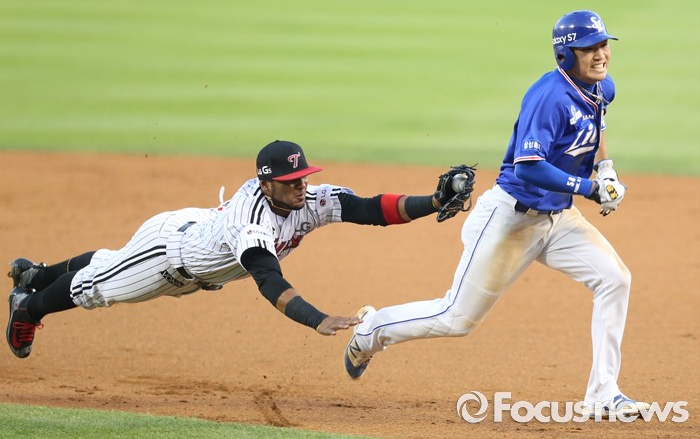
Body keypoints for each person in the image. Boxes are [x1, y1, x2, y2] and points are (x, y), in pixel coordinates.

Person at [343, 11, 650, 420]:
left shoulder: (599, 86)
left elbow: (597, 122)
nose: (600, 55)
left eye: (603, 44)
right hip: (510, 220)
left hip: (558, 219)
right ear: (565, 54)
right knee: (456, 318)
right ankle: (371, 331)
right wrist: (590, 188)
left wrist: (606, 170)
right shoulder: (549, 98)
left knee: (615, 279)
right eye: (588, 48)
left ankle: (602, 394)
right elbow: (528, 167)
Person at [6, 140, 470, 359]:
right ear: (267, 184)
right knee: (97, 288)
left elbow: (368, 208)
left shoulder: (306, 199)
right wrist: (317, 318)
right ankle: (28, 307)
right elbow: (268, 280)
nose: (301, 186)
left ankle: (37, 274)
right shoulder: (252, 221)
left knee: (109, 262)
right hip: (168, 258)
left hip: (196, 231)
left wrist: (431, 202)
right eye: (290, 181)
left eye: (302, 177)